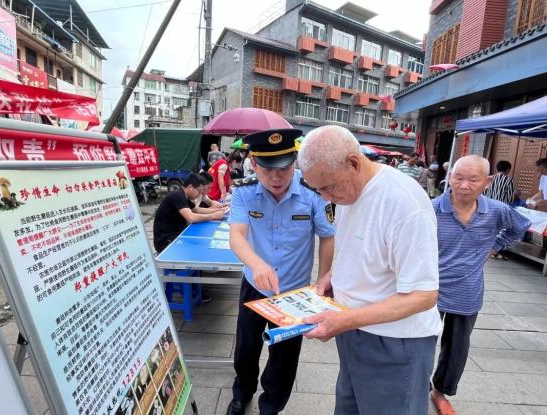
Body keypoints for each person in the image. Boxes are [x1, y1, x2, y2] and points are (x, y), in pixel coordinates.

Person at [297, 125, 441, 415]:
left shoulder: (404, 204)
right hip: (353, 330)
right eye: (317, 189)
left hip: (395, 342)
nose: (325, 197)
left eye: (328, 187)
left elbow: (424, 295)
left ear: (353, 162)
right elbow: (356, 247)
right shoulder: (347, 192)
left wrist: (345, 320)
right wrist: (331, 278)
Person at [227, 128, 335, 415]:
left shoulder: (313, 192)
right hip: (255, 284)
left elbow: (328, 235)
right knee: (246, 347)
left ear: (295, 162)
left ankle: (271, 406)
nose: (277, 177)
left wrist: (324, 275)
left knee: (284, 357)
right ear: (253, 162)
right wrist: (256, 263)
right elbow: (236, 236)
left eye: (285, 168)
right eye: (267, 168)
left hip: (294, 291)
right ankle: (242, 393)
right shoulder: (245, 191)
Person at [430, 155, 530, 415]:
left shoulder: (497, 210)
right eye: (458, 177)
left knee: (457, 347)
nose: (463, 185)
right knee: (420, 341)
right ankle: (415, 385)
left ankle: (440, 391)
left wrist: (494, 247)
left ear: (487, 182)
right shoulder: (431, 208)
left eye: (472, 179)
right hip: (428, 291)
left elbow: (519, 228)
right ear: (449, 177)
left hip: (467, 291)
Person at [153, 173, 225, 253]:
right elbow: (191, 218)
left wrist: (221, 210)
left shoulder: (184, 196)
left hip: (176, 235)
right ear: (190, 187)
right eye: (199, 191)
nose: (199, 195)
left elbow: (197, 210)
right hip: (166, 241)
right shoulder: (177, 196)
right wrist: (213, 216)